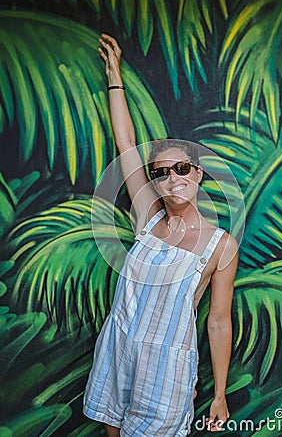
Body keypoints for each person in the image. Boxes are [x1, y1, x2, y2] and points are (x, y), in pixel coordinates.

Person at [83, 34, 238, 436]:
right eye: (161, 172)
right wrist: (114, 76)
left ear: (198, 174)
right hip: (119, 350)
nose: (172, 178)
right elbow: (126, 142)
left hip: (166, 368)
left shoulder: (221, 245)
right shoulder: (148, 216)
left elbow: (219, 322)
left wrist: (219, 394)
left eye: (182, 169)